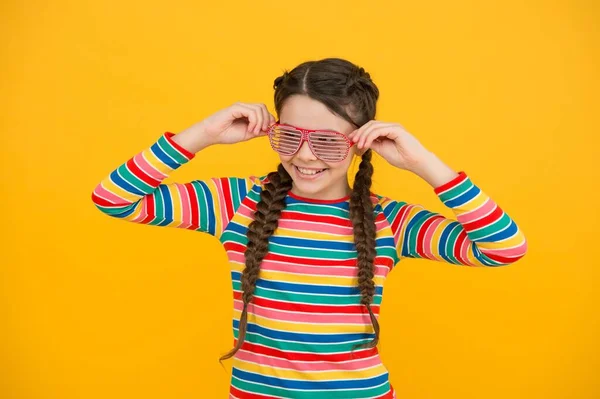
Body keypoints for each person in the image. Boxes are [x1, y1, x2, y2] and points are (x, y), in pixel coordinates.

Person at [91, 57, 527, 399]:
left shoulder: (390, 221)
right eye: (289, 136)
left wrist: (423, 163)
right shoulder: (235, 204)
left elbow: (504, 248)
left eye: (325, 140)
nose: (304, 155)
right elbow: (113, 199)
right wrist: (202, 134)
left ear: (361, 142)